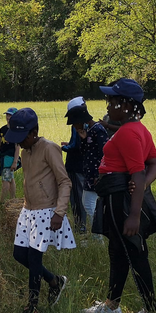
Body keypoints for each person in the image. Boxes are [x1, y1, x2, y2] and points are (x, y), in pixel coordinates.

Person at [82, 78, 156, 313]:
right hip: (119, 196)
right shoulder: (138, 129)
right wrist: (142, 185)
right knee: (119, 252)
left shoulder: (129, 133)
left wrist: (134, 214)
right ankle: (111, 306)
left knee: (134, 253)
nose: (108, 105)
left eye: (113, 101)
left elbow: (138, 172)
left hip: (121, 200)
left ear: (128, 105)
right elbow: (155, 163)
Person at [5, 108, 74, 313]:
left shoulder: (49, 148)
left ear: (33, 132)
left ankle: (33, 307)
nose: (19, 144)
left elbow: (65, 181)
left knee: (35, 259)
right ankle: (54, 281)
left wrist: (59, 212)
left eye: (22, 138)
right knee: (19, 254)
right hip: (28, 210)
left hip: (46, 211)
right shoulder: (25, 151)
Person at [66, 101, 109, 242]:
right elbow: (85, 152)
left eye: (74, 123)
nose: (74, 126)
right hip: (89, 175)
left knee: (90, 206)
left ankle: (98, 238)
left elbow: (105, 153)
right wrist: (83, 139)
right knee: (86, 202)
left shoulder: (98, 130)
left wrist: (100, 174)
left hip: (96, 175)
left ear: (81, 120)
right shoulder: (89, 132)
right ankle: (95, 235)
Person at [61, 97, 87, 233]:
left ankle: (80, 225)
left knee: (77, 197)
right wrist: (68, 144)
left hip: (75, 165)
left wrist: (63, 148)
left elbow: (76, 145)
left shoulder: (78, 125)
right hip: (83, 165)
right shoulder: (87, 124)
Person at [0, 107, 21, 201]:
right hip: (3, 157)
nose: (8, 117)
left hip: (10, 159)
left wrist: (15, 161)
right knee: (11, 178)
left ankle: (2, 201)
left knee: (5, 180)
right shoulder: (2, 129)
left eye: (11, 115)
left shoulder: (16, 131)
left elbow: (17, 147)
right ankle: (13, 199)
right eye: (7, 115)